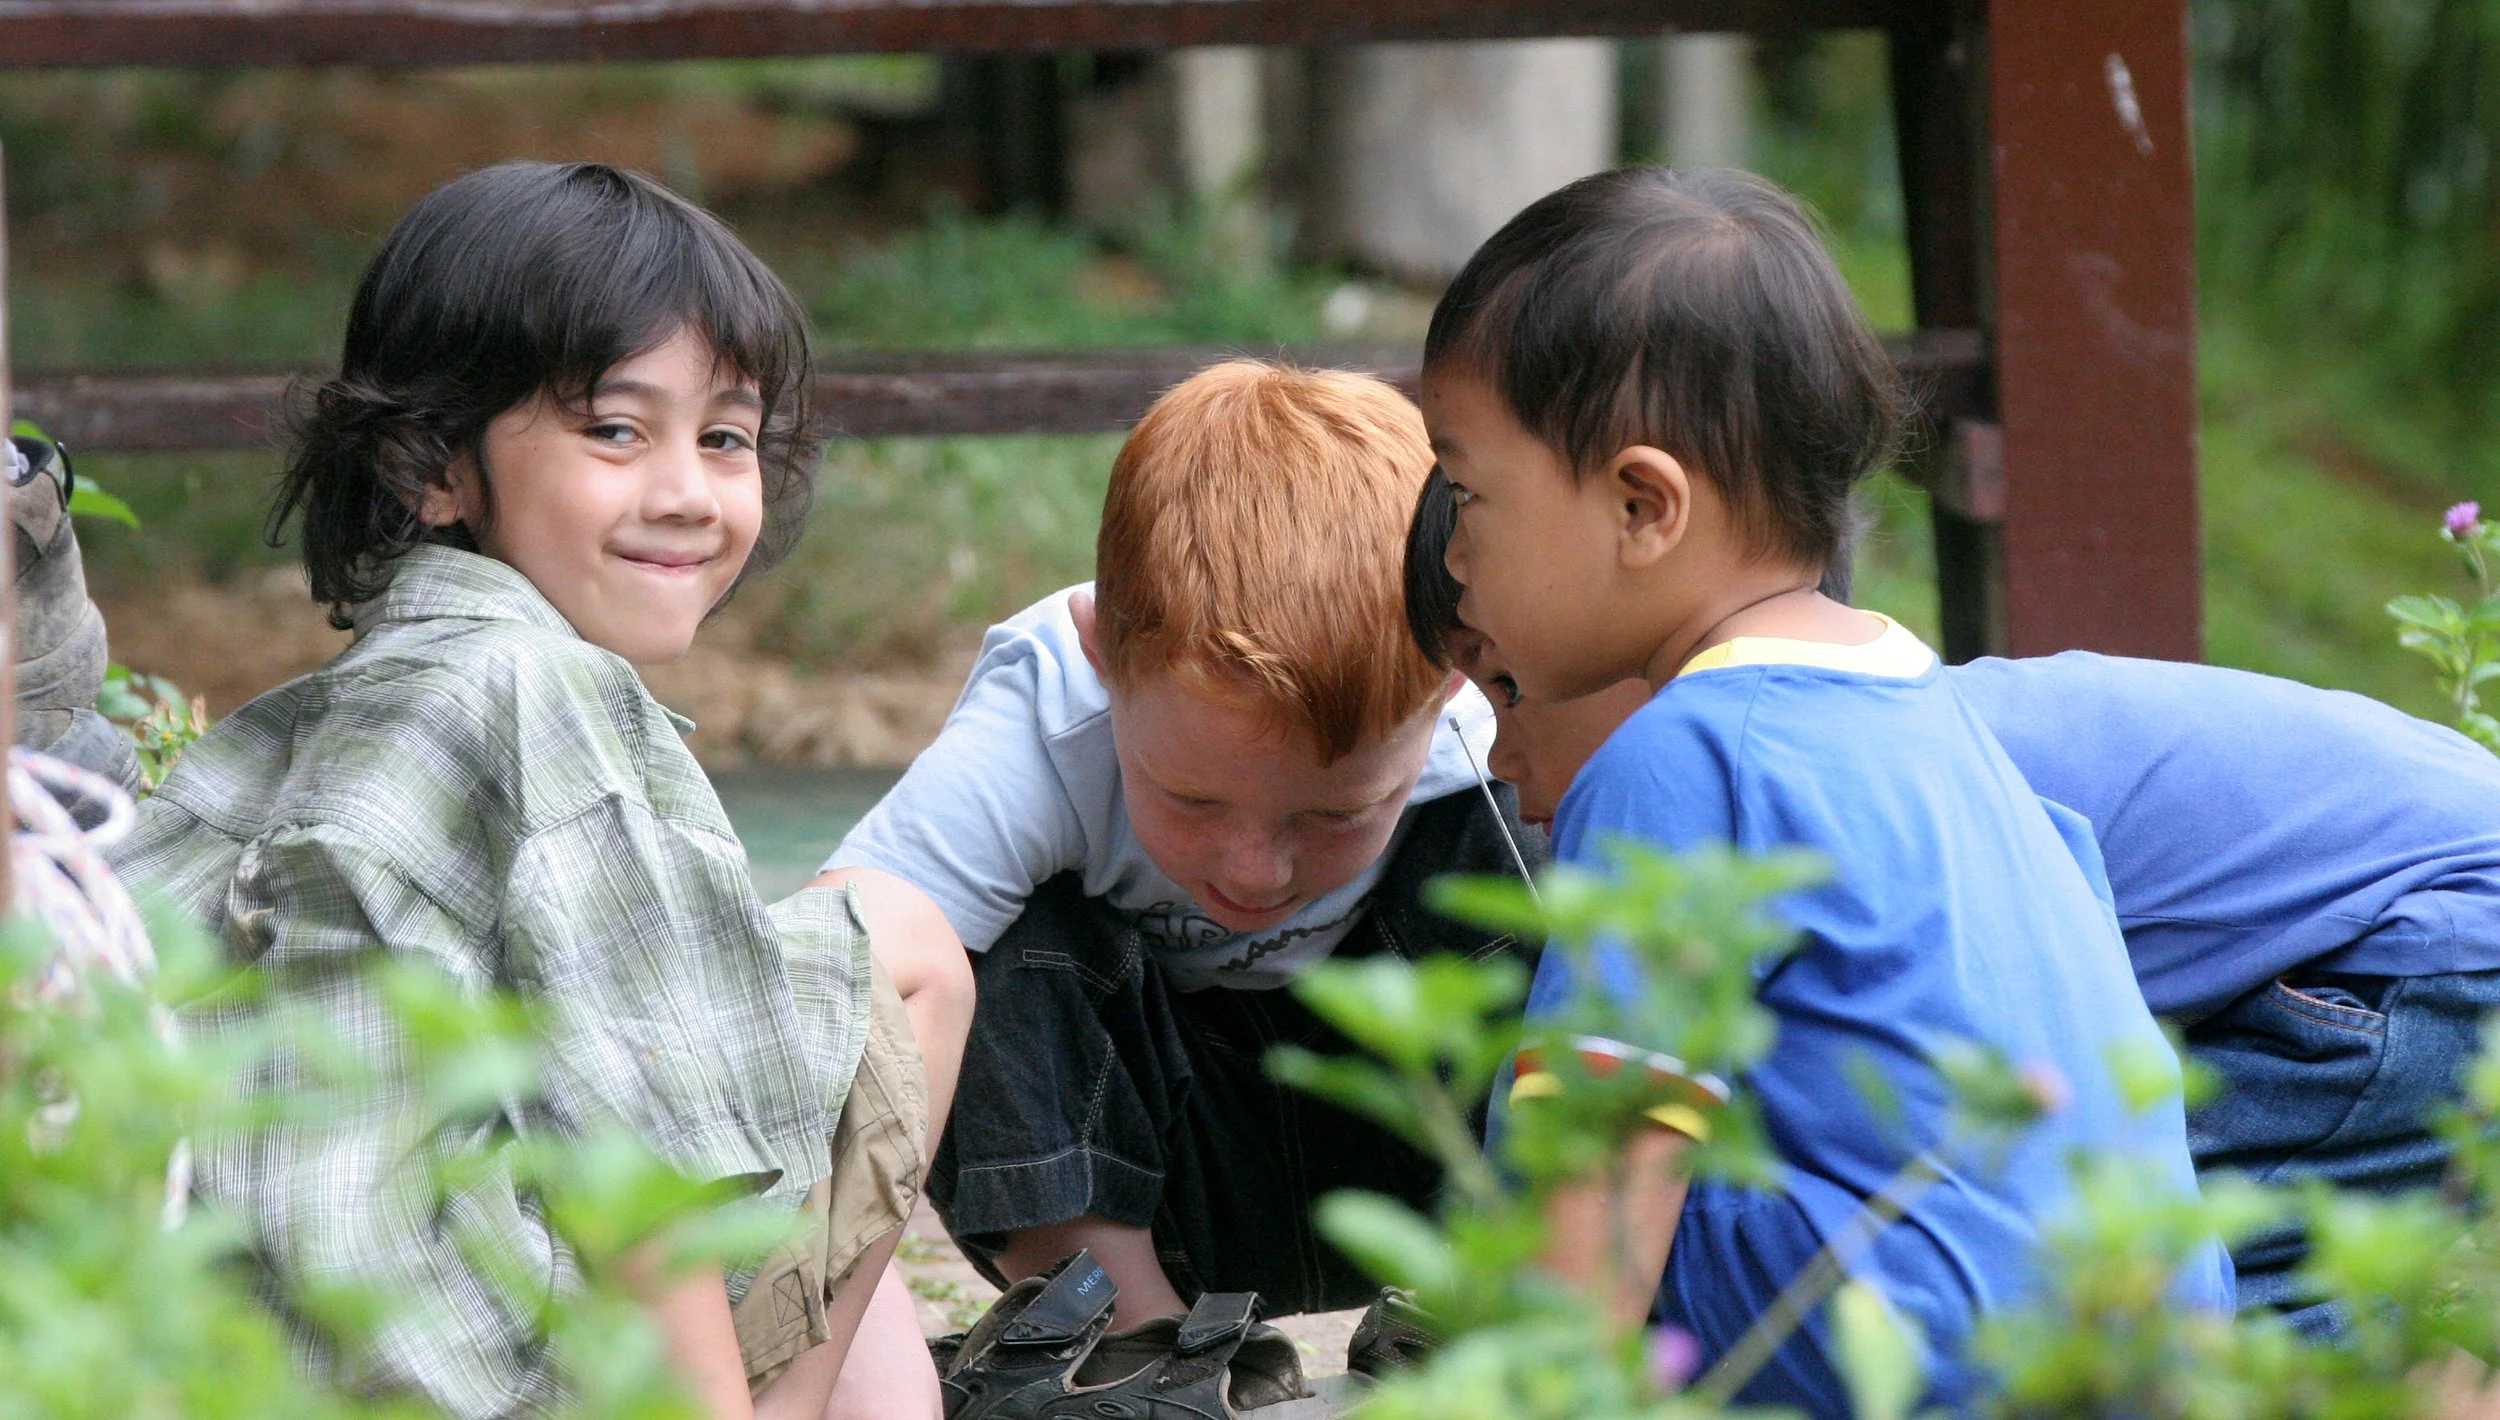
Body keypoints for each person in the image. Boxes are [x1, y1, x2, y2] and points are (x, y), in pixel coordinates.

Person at [108, 162, 969, 1420]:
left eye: (724, 437)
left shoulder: (311, 717)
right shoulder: (543, 691)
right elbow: (649, 1163)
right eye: (615, 429)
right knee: (905, 949)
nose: (685, 491)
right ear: (432, 468)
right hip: (477, 1374)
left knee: (792, 1030)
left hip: (264, 1357)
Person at [1422, 165, 2229, 1412]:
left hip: (1925, 1364)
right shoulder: (1933, 715)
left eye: (1468, 493)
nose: (1457, 557)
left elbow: (1589, 1206)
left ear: (1643, 504)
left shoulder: (1680, 757)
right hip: (2147, 1349)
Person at [1407, 464, 2500, 1335]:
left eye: (1509, 681)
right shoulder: (1862, 735)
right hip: (2405, 933)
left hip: (2420, 946)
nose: (1502, 754)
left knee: (2077, 1289)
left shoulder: (1823, 772)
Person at [813, 362, 1534, 1346]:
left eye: (1329, 816)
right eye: (1192, 798)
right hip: (1157, 1181)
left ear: (1450, 682)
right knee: (954, 938)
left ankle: (1516, 1299)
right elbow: (837, 953)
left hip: (1424, 1153)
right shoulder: (1045, 719)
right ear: (1103, 651)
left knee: (1548, 873)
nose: (1253, 869)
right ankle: (1128, 1347)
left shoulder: (1495, 722)